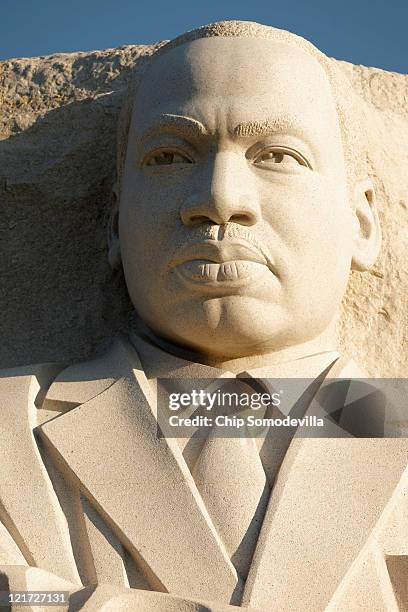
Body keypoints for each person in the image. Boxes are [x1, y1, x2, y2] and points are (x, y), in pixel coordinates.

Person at [1, 21, 407, 612]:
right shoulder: (8, 426)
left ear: (362, 223)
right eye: (168, 156)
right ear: (115, 221)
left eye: (279, 156)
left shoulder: (395, 424)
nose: (220, 199)